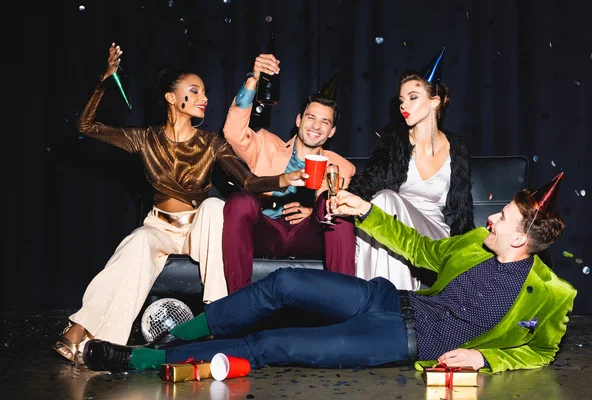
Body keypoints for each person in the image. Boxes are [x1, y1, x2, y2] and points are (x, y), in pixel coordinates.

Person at [81, 172, 576, 375]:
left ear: (520, 238)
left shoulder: (552, 294)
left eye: (503, 218)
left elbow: (541, 349)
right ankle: (178, 333)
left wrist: (484, 361)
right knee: (283, 284)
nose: (490, 218)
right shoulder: (475, 245)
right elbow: (421, 247)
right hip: (388, 301)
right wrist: (365, 211)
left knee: (275, 345)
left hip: (399, 341)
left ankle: (143, 361)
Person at [53, 43, 308, 361]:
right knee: (136, 242)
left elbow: (247, 183)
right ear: (171, 98)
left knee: (216, 207)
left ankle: (217, 319)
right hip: (159, 226)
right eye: (195, 91)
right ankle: (82, 328)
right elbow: (85, 127)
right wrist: (105, 80)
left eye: (204, 92)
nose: (204, 98)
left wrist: (283, 180)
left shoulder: (211, 143)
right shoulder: (145, 139)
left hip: (198, 227)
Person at [220, 53, 356, 294]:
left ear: (332, 132)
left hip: (308, 235)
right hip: (266, 229)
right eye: (311, 118)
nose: (316, 126)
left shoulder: (342, 168)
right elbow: (232, 132)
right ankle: (237, 303)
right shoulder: (264, 144)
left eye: (325, 122)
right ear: (298, 120)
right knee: (240, 200)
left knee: (336, 208)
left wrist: (315, 211)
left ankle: (343, 303)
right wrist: (254, 79)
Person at [347, 48, 474, 290]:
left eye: (413, 97)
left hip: (433, 235)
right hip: (394, 223)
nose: (404, 105)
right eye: (402, 100)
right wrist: (346, 197)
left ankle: (387, 303)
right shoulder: (393, 139)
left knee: (385, 205)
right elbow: (370, 178)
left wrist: (466, 252)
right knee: (384, 200)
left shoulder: (458, 149)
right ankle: (390, 303)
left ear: (435, 101)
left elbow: (462, 210)